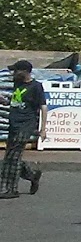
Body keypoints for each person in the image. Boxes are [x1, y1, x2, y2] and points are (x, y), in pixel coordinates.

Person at [4, 60, 46, 198]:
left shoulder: (36, 87)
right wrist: (4, 101)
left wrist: (43, 129)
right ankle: (33, 175)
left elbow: (43, 107)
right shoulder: (17, 83)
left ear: (25, 71)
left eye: (16, 70)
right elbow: (16, 101)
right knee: (10, 156)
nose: (14, 73)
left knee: (14, 156)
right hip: (14, 123)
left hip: (26, 124)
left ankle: (11, 189)